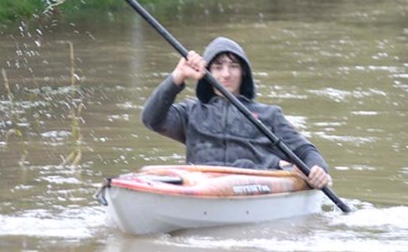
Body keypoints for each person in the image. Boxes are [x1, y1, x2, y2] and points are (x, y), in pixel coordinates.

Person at [141, 36, 333, 189]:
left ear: (243, 72)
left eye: (233, 66)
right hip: (202, 185)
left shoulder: (269, 115)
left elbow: (305, 151)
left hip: (256, 186)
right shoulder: (190, 112)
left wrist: (318, 169)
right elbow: (151, 119)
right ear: (207, 73)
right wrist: (178, 76)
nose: (226, 74)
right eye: (218, 67)